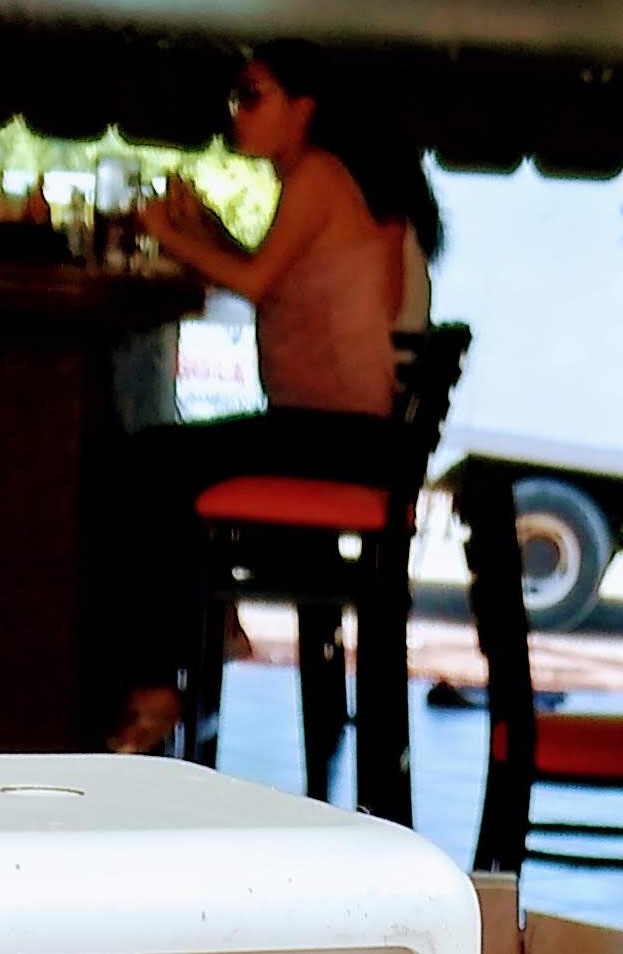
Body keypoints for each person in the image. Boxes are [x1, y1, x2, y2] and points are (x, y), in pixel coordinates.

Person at [103, 44, 438, 753]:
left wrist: (166, 232)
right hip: (327, 426)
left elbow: (253, 284)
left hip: (335, 431)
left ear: (303, 109)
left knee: (146, 460)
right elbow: (266, 273)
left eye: (253, 96)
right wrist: (201, 230)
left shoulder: (317, 175)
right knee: (160, 457)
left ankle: (158, 684)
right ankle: (204, 637)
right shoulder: (312, 182)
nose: (237, 112)